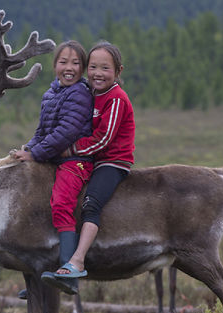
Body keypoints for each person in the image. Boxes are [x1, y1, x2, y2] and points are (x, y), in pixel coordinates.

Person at [41, 40, 136, 286]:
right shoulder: (91, 92)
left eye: (105, 68)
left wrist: (69, 150)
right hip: (91, 160)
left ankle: (78, 261)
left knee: (90, 205)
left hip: (112, 162)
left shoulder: (116, 98)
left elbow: (103, 140)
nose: (97, 73)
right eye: (93, 67)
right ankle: (59, 263)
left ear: (118, 71)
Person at [11, 40, 94, 295]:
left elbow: (65, 133)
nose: (69, 68)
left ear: (83, 69)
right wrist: (28, 148)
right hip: (54, 158)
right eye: (63, 62)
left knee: (60, 204)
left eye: (76, 63)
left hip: (75, 161)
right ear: (54, 65)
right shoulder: (51, 93)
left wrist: (36, 153)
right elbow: (42, 130)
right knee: (37, 204)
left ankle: (69, 273)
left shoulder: (80, 93)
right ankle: (40, 274)